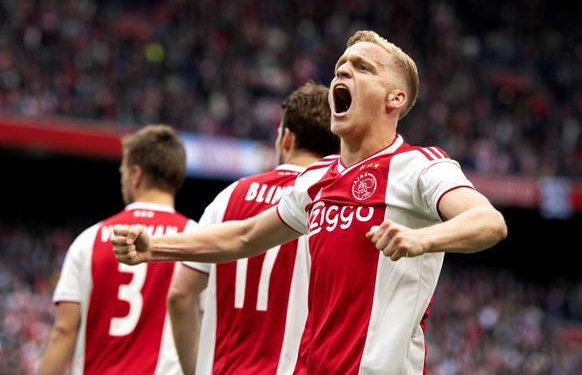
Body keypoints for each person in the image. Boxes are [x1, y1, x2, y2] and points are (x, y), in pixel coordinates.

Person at [112, 30, 508, 374]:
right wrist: (156, 247)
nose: (344, 71)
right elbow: (245, 236)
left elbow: (489, 222)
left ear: (395, 99)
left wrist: (423, 239)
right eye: (341, 66)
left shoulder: (420, 166)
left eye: (363, 68)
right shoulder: (316, 179)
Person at [166, 81, 340, 374]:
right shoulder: (332, 209)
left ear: (287, 138)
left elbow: (180, 294)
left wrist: (195, 369)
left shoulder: (229, 196)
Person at [38, 124, 195, 375]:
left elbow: (63, 331)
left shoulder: (88, 241)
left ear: (136, 175)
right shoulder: (198, 239)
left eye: (121, 171)